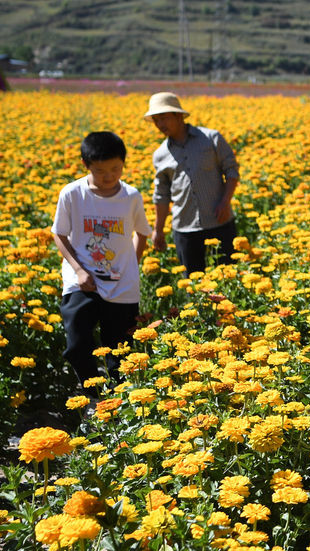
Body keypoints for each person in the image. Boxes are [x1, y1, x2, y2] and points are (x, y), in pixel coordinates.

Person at [52, 131, 151, 392]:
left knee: (121, 351)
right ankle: (91, 394)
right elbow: (59, 234)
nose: (109, 177)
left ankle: (119, 402)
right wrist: (78, 270)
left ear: (124, 164)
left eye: (115, 169)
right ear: (85, 165)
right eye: (100, 171)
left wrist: (131, 265)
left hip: (121, 285)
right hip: (82, 280)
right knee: (77, 344)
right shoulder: (72, 194)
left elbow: (142, 233)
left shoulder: (131, 196)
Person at [145, 91, 239, 275]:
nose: (160, 125)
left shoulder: (211, 139)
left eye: (164, 118)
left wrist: (225, 202)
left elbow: (232, 171)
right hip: (185, 228)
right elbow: (161, 195)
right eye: (156, 120)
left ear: (179, 116)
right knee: (193, 284)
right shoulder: (160, 154)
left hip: (219, 220)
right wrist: (158, 230)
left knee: (229, 277)